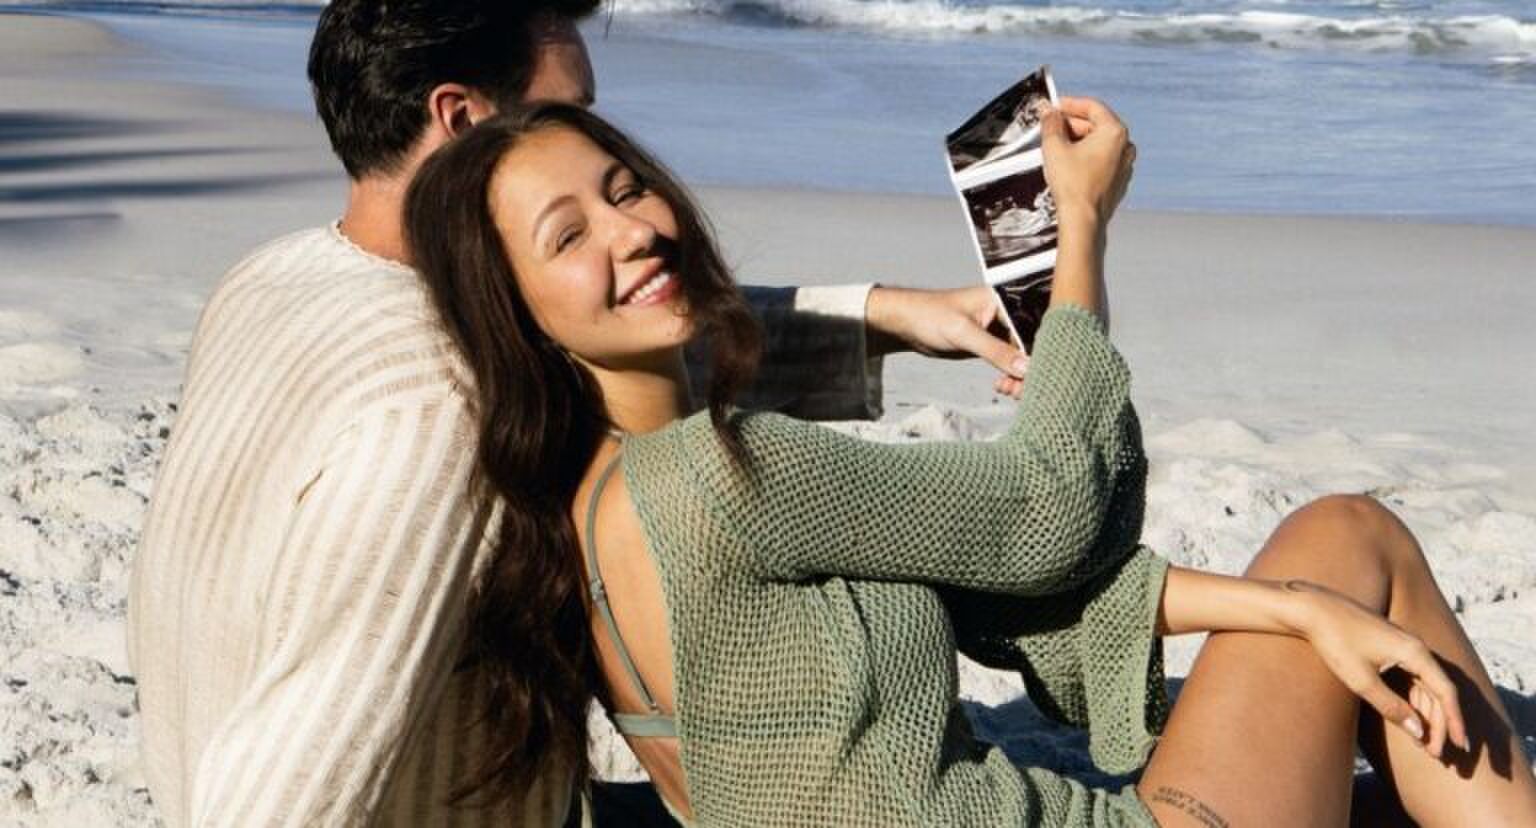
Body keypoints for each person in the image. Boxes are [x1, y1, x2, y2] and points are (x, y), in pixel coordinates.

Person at [402, 100, 1536, 827]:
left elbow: (1002, 597)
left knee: (1335, 631)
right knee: (1353, 533)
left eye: (624, 190)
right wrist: (1077, 224)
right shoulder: (723, 473)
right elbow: (1055, 508)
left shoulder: (587, 508)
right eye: (568, 237)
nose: (634, 232)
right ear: (517, 311)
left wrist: (1294, 611)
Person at [126, 1, 1024, 826]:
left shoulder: (277, 274)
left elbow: (604, 346)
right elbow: (278, 799)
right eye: (563, 114)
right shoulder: (443, 411)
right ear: (462, 120)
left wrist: (889, 319)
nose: (586, 141)